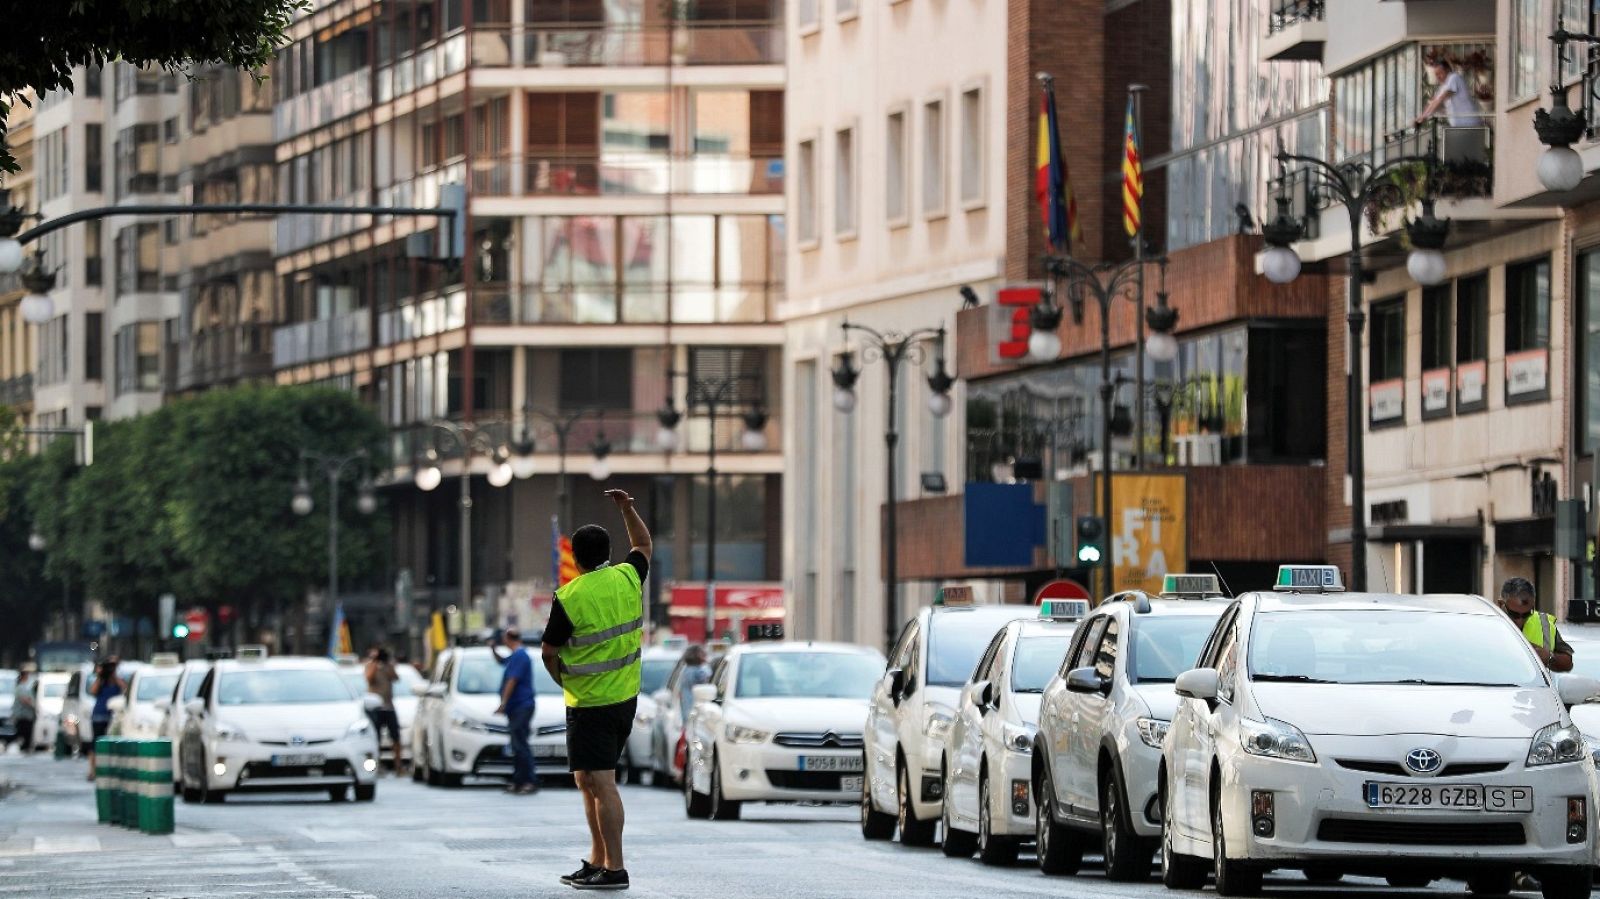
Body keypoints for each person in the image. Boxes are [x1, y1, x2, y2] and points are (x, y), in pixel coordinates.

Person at [542, 488, 651, 892]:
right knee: (587, 780)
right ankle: (597, 859)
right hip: (624, 699)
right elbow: (642, 543)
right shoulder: (627, 576)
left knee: (600, 783)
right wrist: (627, 507)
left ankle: (615, 868)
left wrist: (562, 680)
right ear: (606, 551)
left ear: (575, 558)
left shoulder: (570, 596)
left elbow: (549, 652)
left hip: (590, 704)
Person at [494, 628, 538, 795]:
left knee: (520, 744)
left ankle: (529, 781)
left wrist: (503, 703)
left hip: (521, 706)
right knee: (517, 744)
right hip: (517, 707)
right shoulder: (516, 655)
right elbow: (502, 661)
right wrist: (492, 649)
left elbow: (512, 680)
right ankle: (519, 781)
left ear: (507, 638)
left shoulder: (520, 655)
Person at [1500, 577, 1574, 672]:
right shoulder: (1487, 625)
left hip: (1536, 686)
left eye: (1527, 614)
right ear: (1501, 604)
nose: (1520, 620)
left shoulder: (1544, 623)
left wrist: (1550, 658)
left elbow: (1567, 663)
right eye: (1514, 614)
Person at [365, 647, 404, 774]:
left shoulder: (388, 666)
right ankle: (375, 766)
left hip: (389, 706)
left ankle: (398, 766)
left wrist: (389, 665)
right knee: (375, 738)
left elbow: (396, 678)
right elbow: (369, 678)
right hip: (375, 708)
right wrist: (376, 663)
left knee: (396, 737)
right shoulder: (370, 665)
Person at [1416, 56, 1484, 127]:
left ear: (1448, 70)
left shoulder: (1454, 78)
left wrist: (1423, 117)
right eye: (1436, 74)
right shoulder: (1443, 86)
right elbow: (1434, 101)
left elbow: (1441, 98)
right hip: (1460, 127)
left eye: (1440, 73)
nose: (1438, 77)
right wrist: (1422, 117)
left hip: (1470, 125)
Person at [88, 658, 126, 779]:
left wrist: (114, 676)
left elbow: (125, 689)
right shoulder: (101, 681)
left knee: (113, 743)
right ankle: (93, 770)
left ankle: (111, 769)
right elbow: (92, 691)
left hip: (114, 717)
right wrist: (100, 676)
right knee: (96, 743)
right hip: (99, 715)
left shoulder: (117, 681)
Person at [678, 644, 711, 725]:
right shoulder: (699, 671)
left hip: (688, 708)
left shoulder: (686, 670)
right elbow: (706, 680)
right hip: (695, 709)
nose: (704, 655)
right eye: (702, 654)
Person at [10, 665, 36, 753]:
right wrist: (33, 704)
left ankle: (25, 747)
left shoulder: (26, 686)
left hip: (28, 714)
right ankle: (19, 746)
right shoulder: (20, 687)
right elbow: (24, 699)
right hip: (22, 714)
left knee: (26, 732)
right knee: (22, 732)